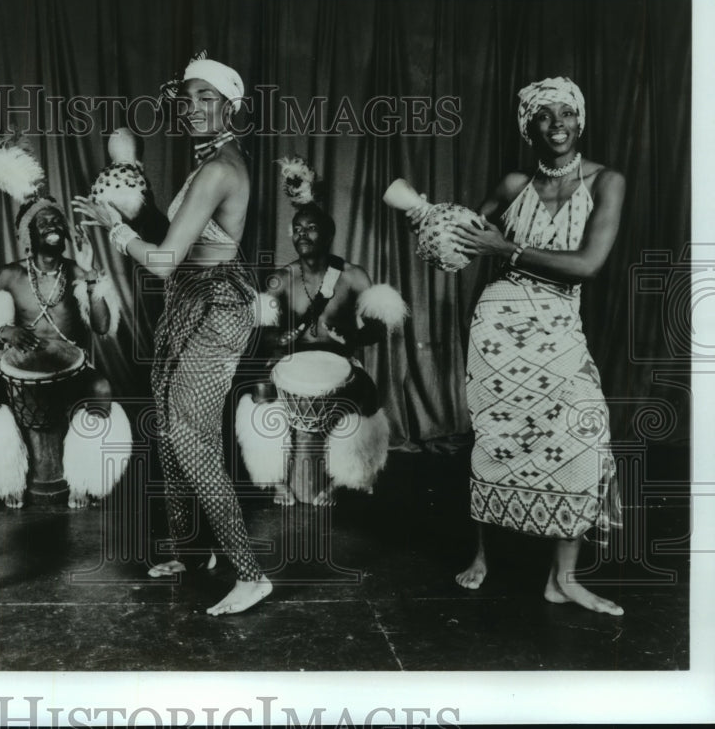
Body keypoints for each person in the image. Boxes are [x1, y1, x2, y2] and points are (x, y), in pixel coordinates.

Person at [73, 55, 272, 616]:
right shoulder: (207, 165)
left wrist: (115, 229)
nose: (193, 108)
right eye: (187, 99)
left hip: (218, 304)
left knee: (190, 435)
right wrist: (131, 211)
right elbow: (177, 240)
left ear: (231, 106)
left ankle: (250, 574)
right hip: (193, 297)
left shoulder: (219, 167)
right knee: (168, 421)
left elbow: (161, 262)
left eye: (206, 97)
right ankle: (196, 549)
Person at [433, 77, 625, 616]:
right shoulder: (515, 182)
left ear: (580, 121)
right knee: (499, 437)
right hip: (498, 324)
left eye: (567, 113)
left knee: (585, 430)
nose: (557, 123)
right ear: (529, 126)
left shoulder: (607, 181)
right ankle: (482, 554)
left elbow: (587, 265)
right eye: (544, 115)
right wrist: (434, 228)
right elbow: (460, 244)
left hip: (559, 322)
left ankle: (561, 578)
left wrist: (507, 247)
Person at [241, 201, 405, 506]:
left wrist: (351, 335)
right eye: (298, 228)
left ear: (328, 234)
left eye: (311, 227)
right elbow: (262, 337)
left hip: (341, 361)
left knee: (367, 394)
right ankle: (275, 480)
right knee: (260, 391)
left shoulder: (353, 276)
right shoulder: (282, 278)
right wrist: (281, 340)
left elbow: (377, 332)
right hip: (291, 360)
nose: (302, 234)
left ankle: (346, 480)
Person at [0, 199, 124, 509]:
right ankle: (9, 478)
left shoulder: (78, 271)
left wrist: (91, 270)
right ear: (29, 235)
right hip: (18, 373)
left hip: (72, 371)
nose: (53, 226)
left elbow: (103, 325)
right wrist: (3, 331)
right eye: (43, 223)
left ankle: (84, 479)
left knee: (103, 389)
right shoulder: (10, 274)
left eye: (57, 221)